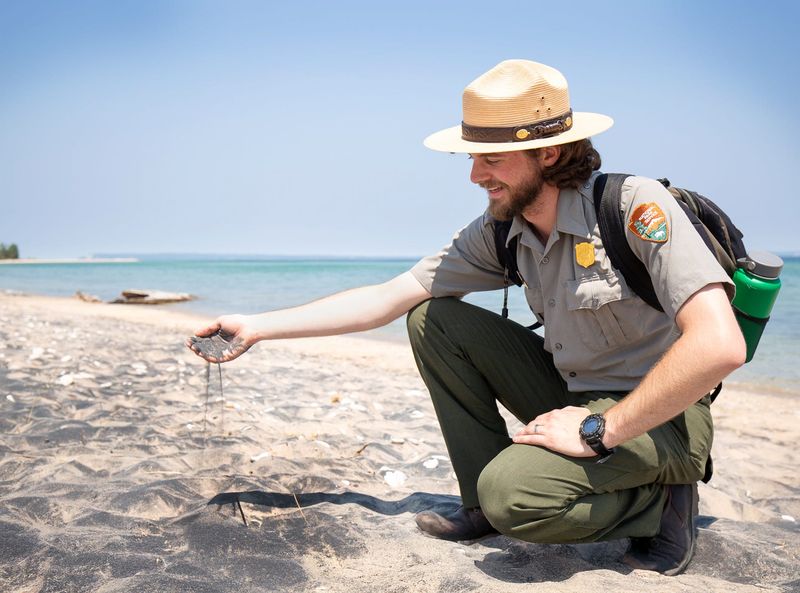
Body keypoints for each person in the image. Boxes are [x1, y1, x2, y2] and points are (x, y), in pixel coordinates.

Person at [186, 59, 745, 576]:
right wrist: (258, 325)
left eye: (491, 159)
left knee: (515, 497)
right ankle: (480, 505)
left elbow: (720, 345)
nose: (475, 175)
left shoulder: (633, 206)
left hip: (660, 416)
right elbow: (390, 295)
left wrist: (599, 430)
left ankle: (662, 500)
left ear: (549, 154)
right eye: (472, 157)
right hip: (573, 394)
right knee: (433, 319)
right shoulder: (503, 228)